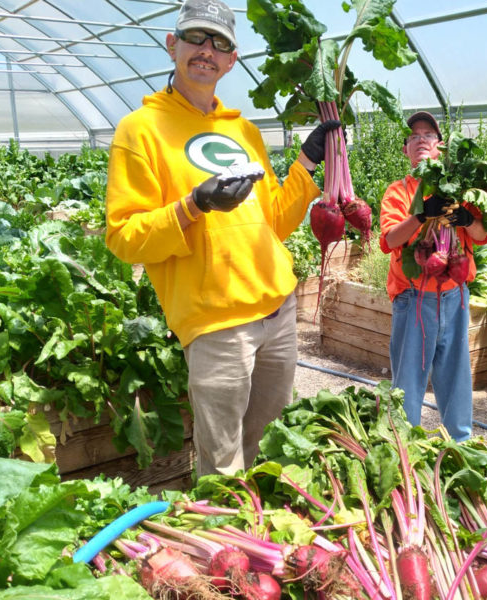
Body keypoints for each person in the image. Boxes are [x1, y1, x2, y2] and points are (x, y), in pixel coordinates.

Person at [104, 0, 340, 476]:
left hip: (278, 308)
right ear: (173, 45)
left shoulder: (244, 130)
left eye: (221, 44)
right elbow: (124, 237)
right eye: (196, 38)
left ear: (232, 60)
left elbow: (273, 220)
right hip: (215, 321)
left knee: (271, 446)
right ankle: (227, 545)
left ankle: (268, 537)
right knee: (224, 461)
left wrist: (307, 164)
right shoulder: (140, 131)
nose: (206, 51)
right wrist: (193, 206)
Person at [378, 111, 487, 442]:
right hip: (414, 297)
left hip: (455, 296)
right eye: (414, 137)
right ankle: (402, 446)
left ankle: (460, 444)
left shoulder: (460, 189)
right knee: (408, 381)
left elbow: (482, 235)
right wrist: (420, 215)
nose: (421, 140)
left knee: (456, 377)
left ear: (440, 146)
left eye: (428, 135)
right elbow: (390, 240)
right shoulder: (398, 192)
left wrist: (465, 219)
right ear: (406, 150)